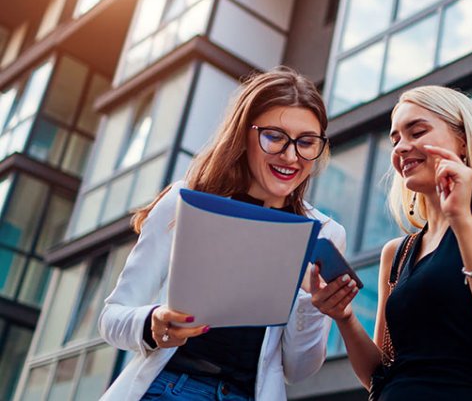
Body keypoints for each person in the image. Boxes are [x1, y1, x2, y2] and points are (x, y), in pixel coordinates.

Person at [98, 67, 347, 401]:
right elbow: (112, 317)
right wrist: (153, 322)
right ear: (244, 135)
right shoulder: (185, 202)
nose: (291, 156)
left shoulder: (325, 235)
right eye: (274, 137)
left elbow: (297, 369)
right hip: (170, 388)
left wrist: (313, 305)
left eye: (306, 142)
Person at [311, 85, 472, 400]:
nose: (402, 147)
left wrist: (460, 220)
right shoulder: (397, 252)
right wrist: (345, 317)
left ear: (462, 140)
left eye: (417, 132)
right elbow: (380, 376)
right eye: (395, 140)